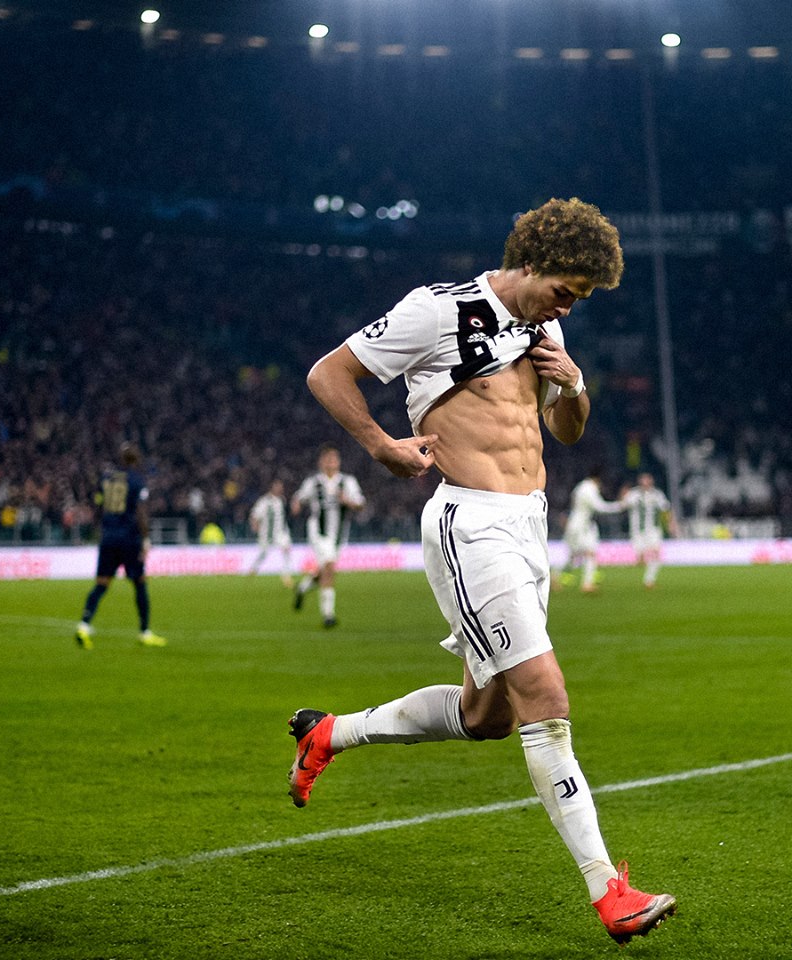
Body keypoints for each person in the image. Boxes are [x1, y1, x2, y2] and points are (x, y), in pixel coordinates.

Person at [287, 198, 676, 943]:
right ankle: (609, 891)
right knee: (545, 696)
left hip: (531, 526)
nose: (568, 306)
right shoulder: (439, 311)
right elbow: (328, 374)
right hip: (471, 523)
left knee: (487, 718)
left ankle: (329, 734)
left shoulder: (546, 328)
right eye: (565, 289)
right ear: (529, 261)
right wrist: (379, 444)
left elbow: (564, 431)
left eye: (580, 298)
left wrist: (575, 384)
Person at [75, 442, 167, 649]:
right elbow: (140, 511)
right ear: (136, 459)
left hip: (108, 537)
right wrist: (145, 538)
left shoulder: (107, 478)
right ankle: (145, 632)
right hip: (129, 538)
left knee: (101, 583)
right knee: (140, 583)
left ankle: (83, 625)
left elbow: (99, 505)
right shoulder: (136, 480)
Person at [290, 444, 365, 628]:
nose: (331, 462)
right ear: (321, 461)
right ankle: (328, 615)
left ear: (338, 461)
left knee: (324, 571)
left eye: (334, 458)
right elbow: (299, 498)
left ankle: (302, 588)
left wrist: (347, 501)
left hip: (339, 535)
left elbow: (360, 504)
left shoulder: (347, 482)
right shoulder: (313, 482)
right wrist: (296, 505)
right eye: (328, 458)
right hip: (319, 532)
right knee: (329, 568)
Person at [561, 468, 623, 593]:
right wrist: (619, 506)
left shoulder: (580, 487)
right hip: (580, 526)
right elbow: (600, 507)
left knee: (579, 555)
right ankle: (585, 584)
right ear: (597, 479)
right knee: (582, 554)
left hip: (579, 525)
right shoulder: (589, 489)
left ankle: (582, 582)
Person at [620, 472, 678, 589]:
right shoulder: (634, 494)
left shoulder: (657, 495)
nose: (645, 482)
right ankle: (636, 570)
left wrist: (671, 524)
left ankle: (649, 580)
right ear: (640, 481)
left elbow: (666, 509)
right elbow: (623, 505)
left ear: (651, 481)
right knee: (640, 558)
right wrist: (623, 494)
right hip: (638, 530)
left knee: (656, 553)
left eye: (648, 479)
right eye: (643, 480)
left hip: (653, 529)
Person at [248, 479, 293, 586]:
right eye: (278, 487)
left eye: (281, 487)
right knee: (263, 553)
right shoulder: (264, 501)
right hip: (267, 533)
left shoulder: (282, 500)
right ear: (272, 488)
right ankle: (254, 568)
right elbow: (255, 514)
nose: (280, 489)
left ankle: (286, 575)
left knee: (286, 549)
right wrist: (255, 524)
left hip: (281, 532)